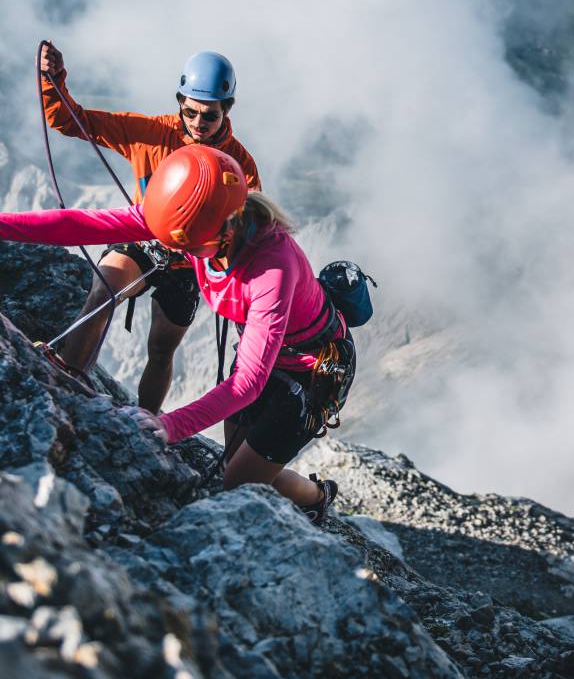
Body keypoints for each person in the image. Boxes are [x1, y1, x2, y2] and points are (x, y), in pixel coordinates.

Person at [0, 144, 346, 521]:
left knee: (239, 484)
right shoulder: (192, 215)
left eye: (184, 245)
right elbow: (83, 224)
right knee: (235, 465)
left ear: (222, 232)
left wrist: (171, 425)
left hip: (311, 372)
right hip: (264, 349)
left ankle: (317, 495)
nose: (174, 250)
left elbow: (248, 382)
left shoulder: (273, 268)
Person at [38, 43, 260, 413]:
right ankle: (68, 380)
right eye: (190, 111)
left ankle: (146, 423)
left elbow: (251, 223)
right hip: (143, 241)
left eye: (210, 116)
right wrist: (52, 78)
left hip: (190, 266)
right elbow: (69, 118)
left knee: (161, 348)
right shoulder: (149, 133)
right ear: (180, 101)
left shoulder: (239, 164)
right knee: (105, 289)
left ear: (226, 112)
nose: (198, 123)